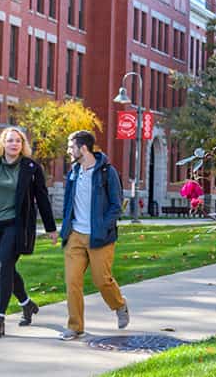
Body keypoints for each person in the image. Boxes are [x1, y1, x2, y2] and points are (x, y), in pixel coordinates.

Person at [0, 127, 58, 339]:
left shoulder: (31, 167)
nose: (14, 144)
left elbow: (42, 198)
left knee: (5, 266)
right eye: (10, 141)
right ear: (3, 144)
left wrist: (51, 228)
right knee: (4, 269)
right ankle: (27, 304)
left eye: (18, 141)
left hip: (17, 226)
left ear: (23, 144)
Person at [59, 130, 129, 340]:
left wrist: (102, 226)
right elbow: (68, 202)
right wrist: (66, 227)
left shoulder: (107, 172)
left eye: (71, 147)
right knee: (72, 282)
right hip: (75, 236)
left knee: (102, 280)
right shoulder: (73, 172)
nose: (68, 151)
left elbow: (117, 205)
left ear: (83, 148)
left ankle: (119, 304)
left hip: (100, 237)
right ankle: (75, 326)